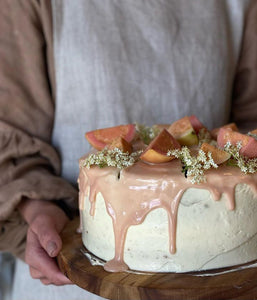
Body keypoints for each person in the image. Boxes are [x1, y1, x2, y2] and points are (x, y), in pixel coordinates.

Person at [0, 0, 257, 299]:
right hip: (75, 276)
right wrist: (39, 208)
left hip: (221, 280)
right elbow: (9, 136)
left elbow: (248, 129)